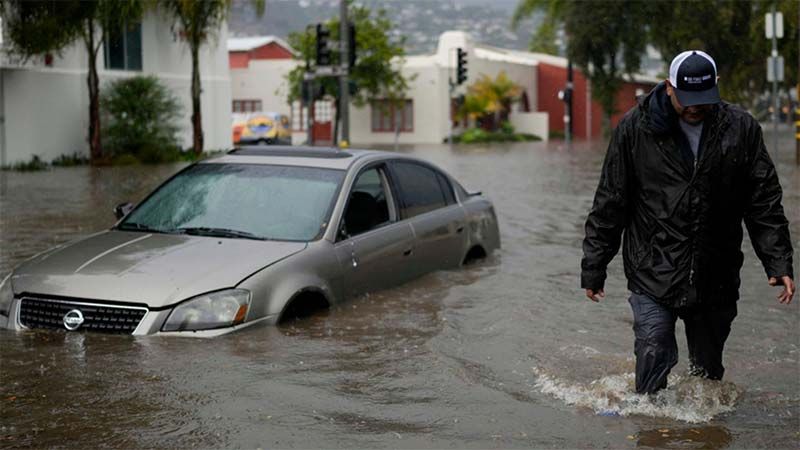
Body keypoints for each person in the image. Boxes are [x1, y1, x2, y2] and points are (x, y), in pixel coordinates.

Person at [580, 50, 795, 394]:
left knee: (707, 378)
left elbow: (763, 201)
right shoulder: (635, 128)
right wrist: (594, 266)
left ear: (716, 87)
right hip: (653, 266)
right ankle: (650, 430)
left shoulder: (741, 129)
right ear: (668, 87)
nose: (695, 106)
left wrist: (778, 259)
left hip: (716, 271)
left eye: (704, 98)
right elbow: (610, 201)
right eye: (687, 98)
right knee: (654, 349)